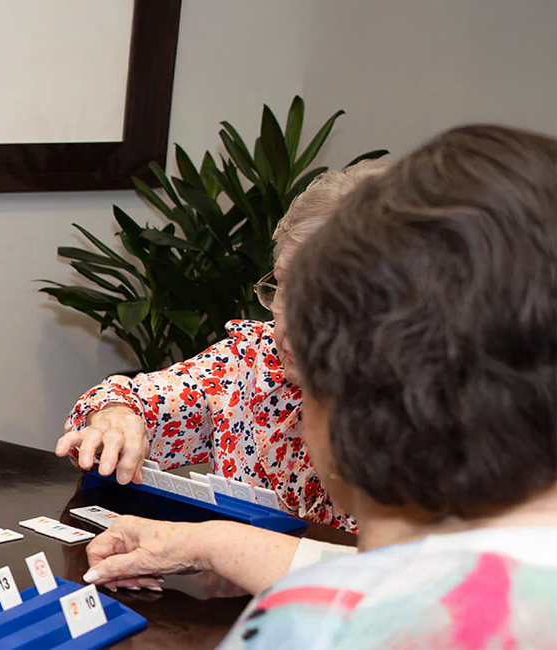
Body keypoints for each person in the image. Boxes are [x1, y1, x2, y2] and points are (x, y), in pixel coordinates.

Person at [91, 124, 557, 649]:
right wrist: (208, 541)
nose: (289, 328)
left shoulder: (317, 625)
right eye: (281, 288)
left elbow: (378, 585)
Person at [56, 161, 390, 532]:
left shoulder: (429, 414)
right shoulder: (253, 360)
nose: (291, 323)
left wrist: (214, 548)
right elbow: (125, 399)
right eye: (283, 286)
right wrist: (113, 417)